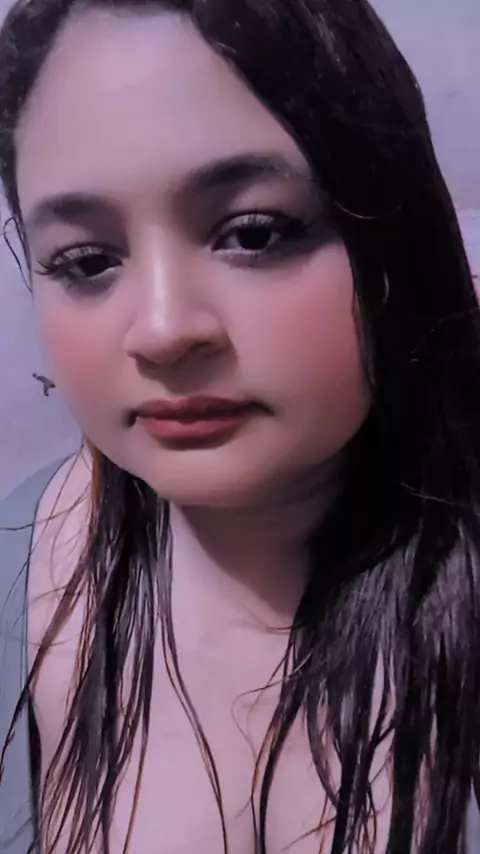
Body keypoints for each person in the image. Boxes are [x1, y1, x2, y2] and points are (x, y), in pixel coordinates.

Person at [0, 0, 479, 852]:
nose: (162, 330)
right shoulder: (17, 568)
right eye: (86, 260)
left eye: (254, 234)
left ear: (396, 239)